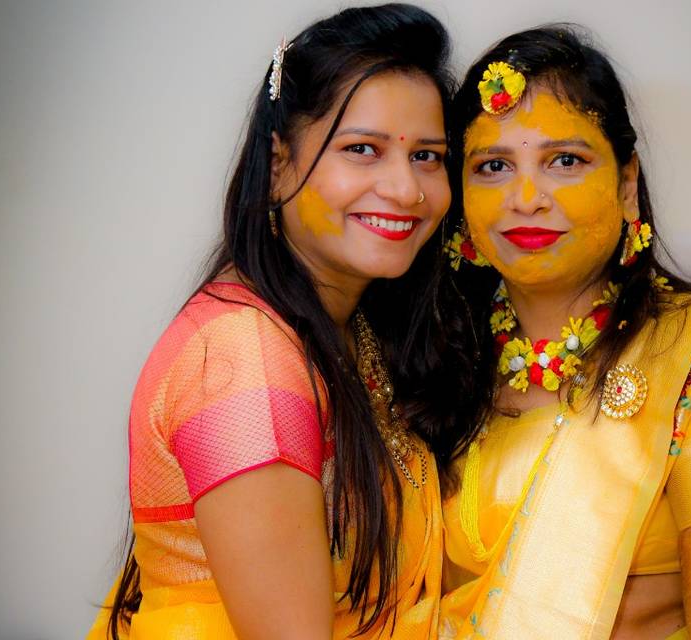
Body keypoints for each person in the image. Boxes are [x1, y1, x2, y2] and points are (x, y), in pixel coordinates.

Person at [87, 4, 472, 638]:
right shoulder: (245, 360)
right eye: (362, 150)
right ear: (277, 164)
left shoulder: (343, 325)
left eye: (428, 156)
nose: (406, 189)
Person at [438, 26, 691, 639]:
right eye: (493, 166)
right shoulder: (441, 362)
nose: (525, 197)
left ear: (627, 184)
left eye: (564, 161)